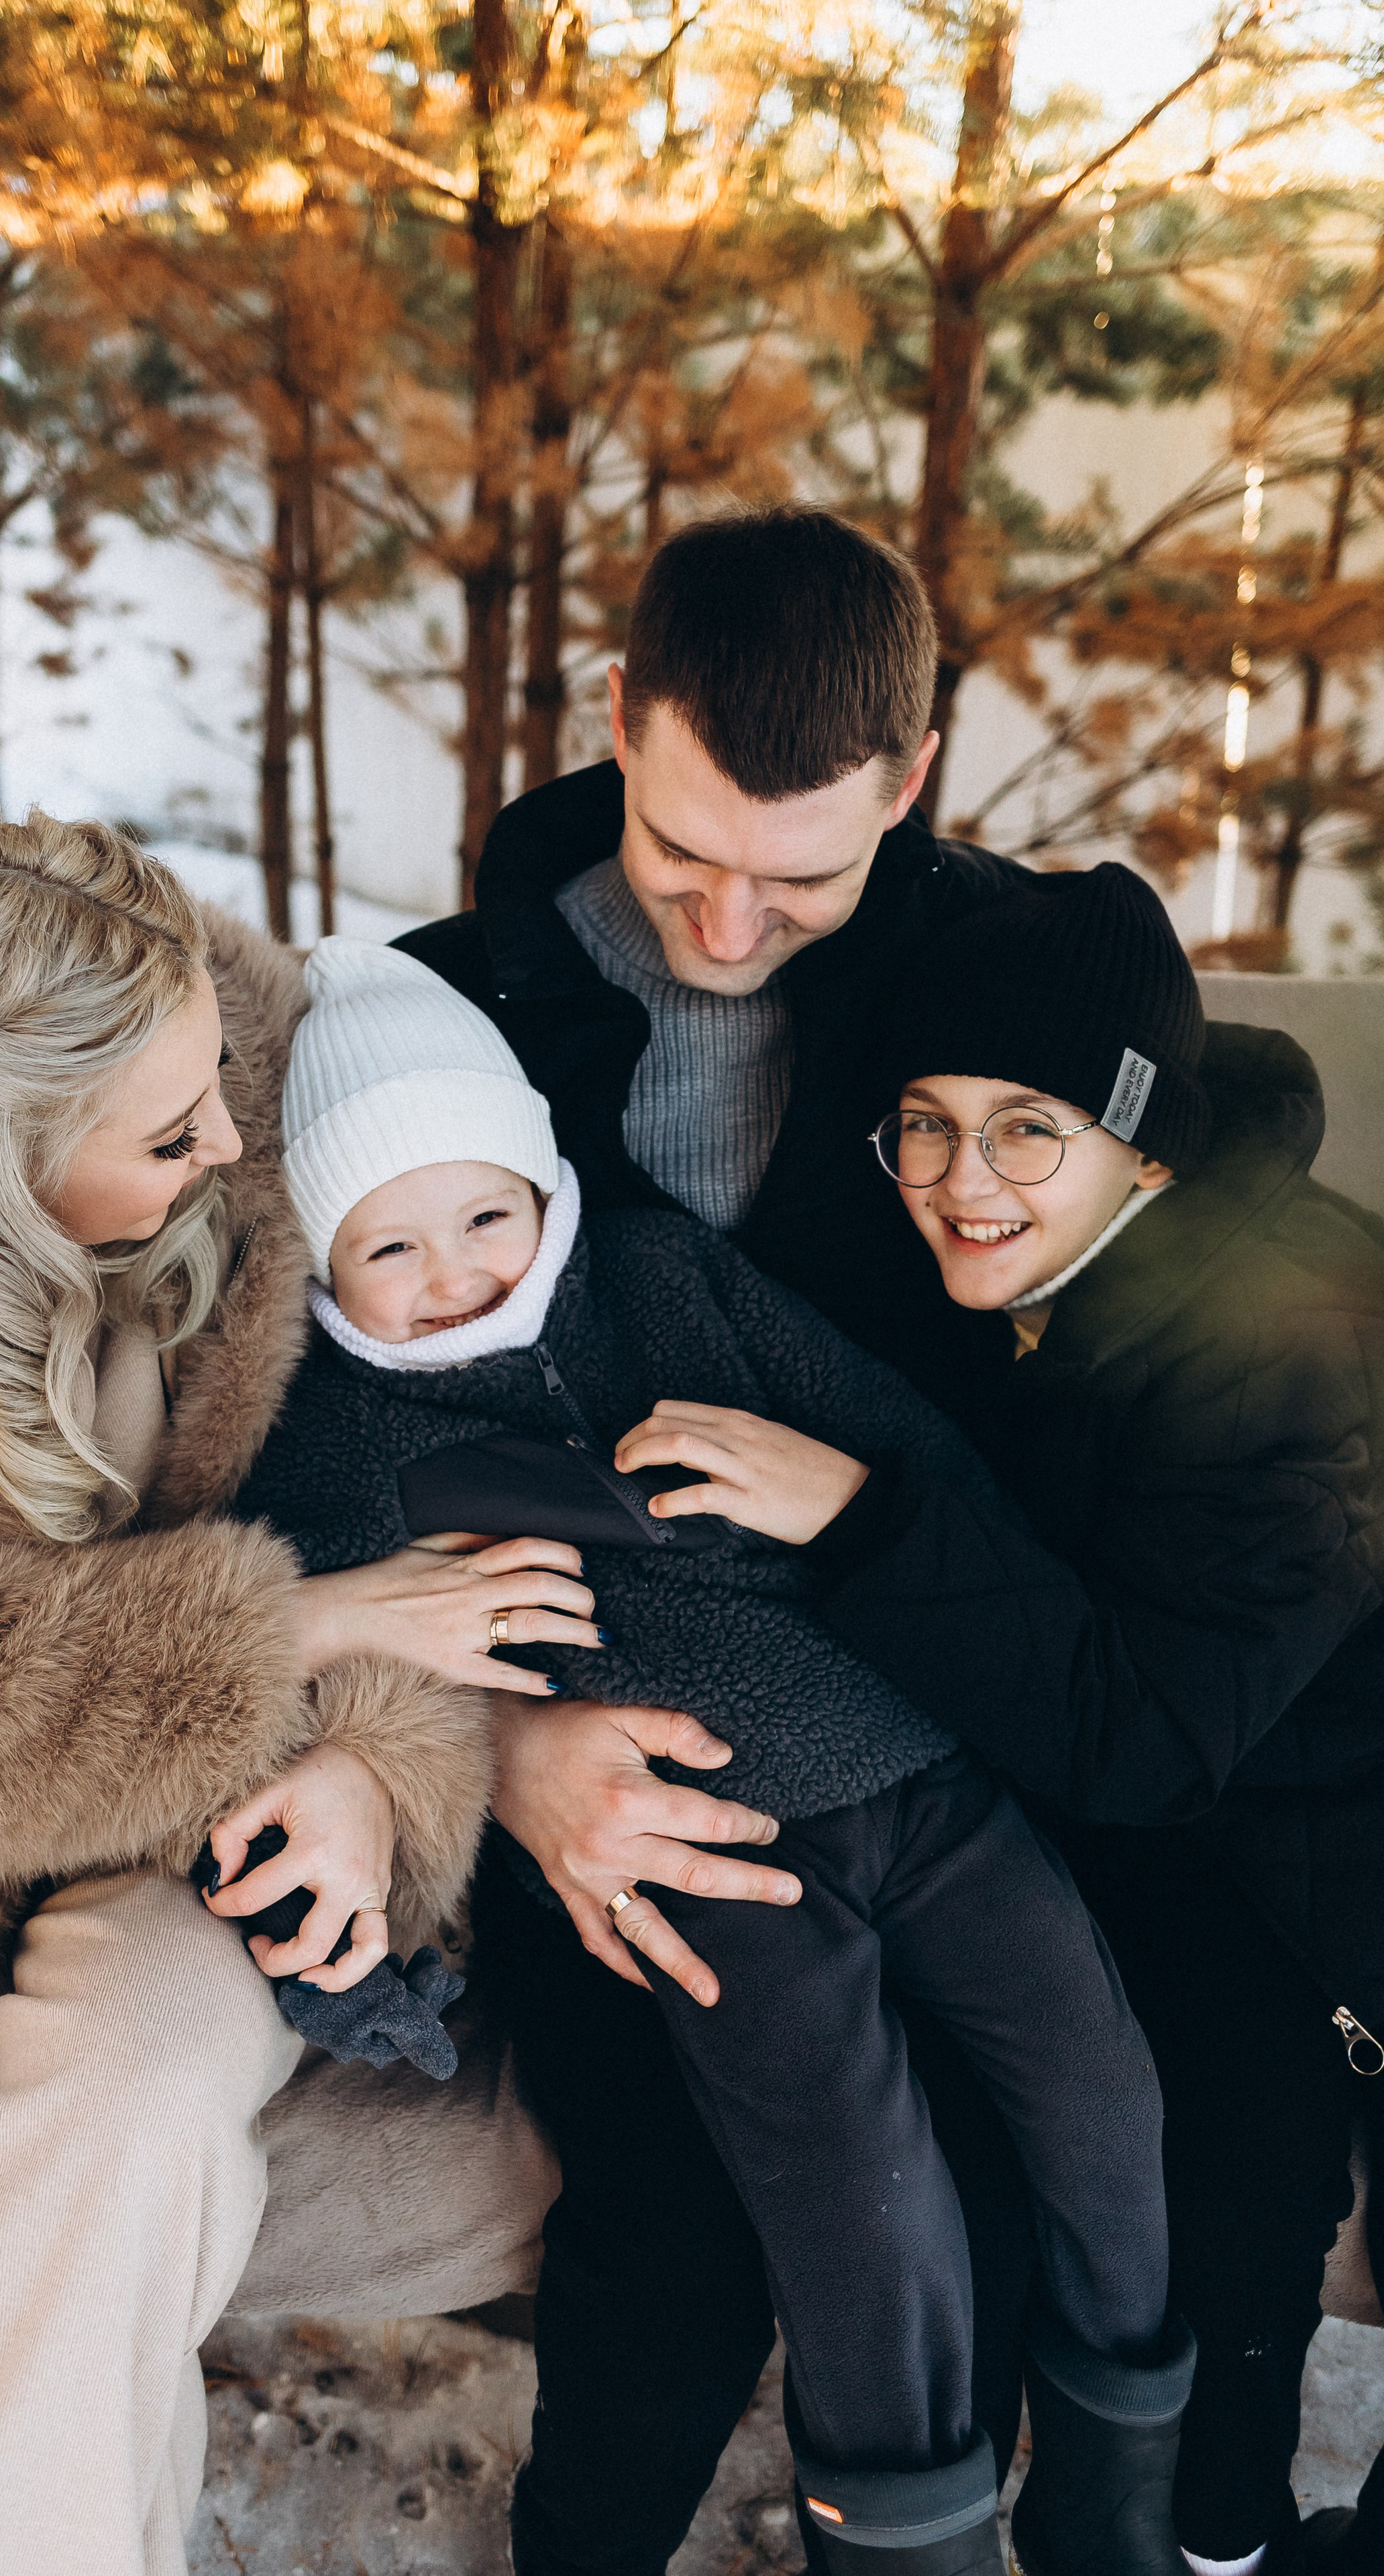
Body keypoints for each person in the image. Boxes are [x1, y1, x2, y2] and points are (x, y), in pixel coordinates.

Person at [0, 812, 620, 2574]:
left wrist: (370, 1778)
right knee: (10, 2237)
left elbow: (372, 1508)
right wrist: (297, 1635)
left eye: (222, 1090)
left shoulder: (227, 1068)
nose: (240, 1143)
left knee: (135, 2108)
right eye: (175, 1134)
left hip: (208, 1802)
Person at [233, 933, 1195, 2575]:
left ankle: (1119, 2467)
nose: (456, 1273)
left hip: (910, 1766)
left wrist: (828, 1486)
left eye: (484, 1214)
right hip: (695, 1845)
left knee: (1092, 2074)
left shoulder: (661, 1283)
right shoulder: (330, 1434)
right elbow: (311, 1653)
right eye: (387, 1245)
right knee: (850, 2167)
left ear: (543, 1182)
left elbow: (896, 1440)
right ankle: (905, 2530)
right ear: (318, 1267)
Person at [398, 504, 1041, 2571]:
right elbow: (291, 1454)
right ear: (616, 719)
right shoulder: (431, 1027)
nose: (737, 927)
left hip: (938, 1704)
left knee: (1006, 2157)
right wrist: (499, 1764)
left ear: (914, 784)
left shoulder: (1008, 1006)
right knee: (667, 2237)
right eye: (686, 862)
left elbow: (1214, 1196)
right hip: (578, 1703)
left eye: (809, 874)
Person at [643, 861, 1384, 2575]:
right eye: (924, 1122)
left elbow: (1143, 1737)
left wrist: (858, 1515)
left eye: (1024, 1128)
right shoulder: (1029, 1257)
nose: (958, 1183)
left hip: (1306, 1795)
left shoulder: (1282, 1339)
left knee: (1237, 2162)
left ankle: (1210, 2539)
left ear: (1143, 1141)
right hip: (1161, 1764)